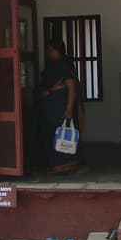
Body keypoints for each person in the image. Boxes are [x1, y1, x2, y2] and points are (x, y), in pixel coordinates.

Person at [31, 38, 82, 174]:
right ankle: (51, 165)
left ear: (56, 50)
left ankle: (65, 165)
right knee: (48, 135)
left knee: (61, 134)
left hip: (60, 106)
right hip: (48, 107)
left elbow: (72, 88)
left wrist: (69, 109)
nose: (48, 52)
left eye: (50, 50)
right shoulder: (51, 65)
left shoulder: (65, 65)